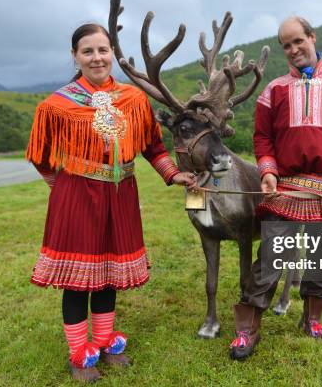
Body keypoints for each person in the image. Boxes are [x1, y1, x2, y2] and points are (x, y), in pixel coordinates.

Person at [25, 23, 196, 381]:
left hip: (121, 195)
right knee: (77, 278)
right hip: (77, 196)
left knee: (109, 274)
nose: (97, 57)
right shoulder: (57, 105)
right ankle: (78, 353)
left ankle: (104, 341)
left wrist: (173, 174)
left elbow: (152, 145)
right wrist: (64, 190)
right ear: (75, 56)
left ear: (112, 55)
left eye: (103, 50)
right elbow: (40, 156)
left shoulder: (133, 100)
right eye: (87, 51)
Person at [229, 16, 322, 360]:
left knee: (321, 256)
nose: (293, 50)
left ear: (312, 37)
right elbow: (262, 137)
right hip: (287, 187)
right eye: (286, 45)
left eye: (297, 41)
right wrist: (268, 171)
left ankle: (312, 319)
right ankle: (248, 328)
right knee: (271, 255)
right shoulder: (272, 90)